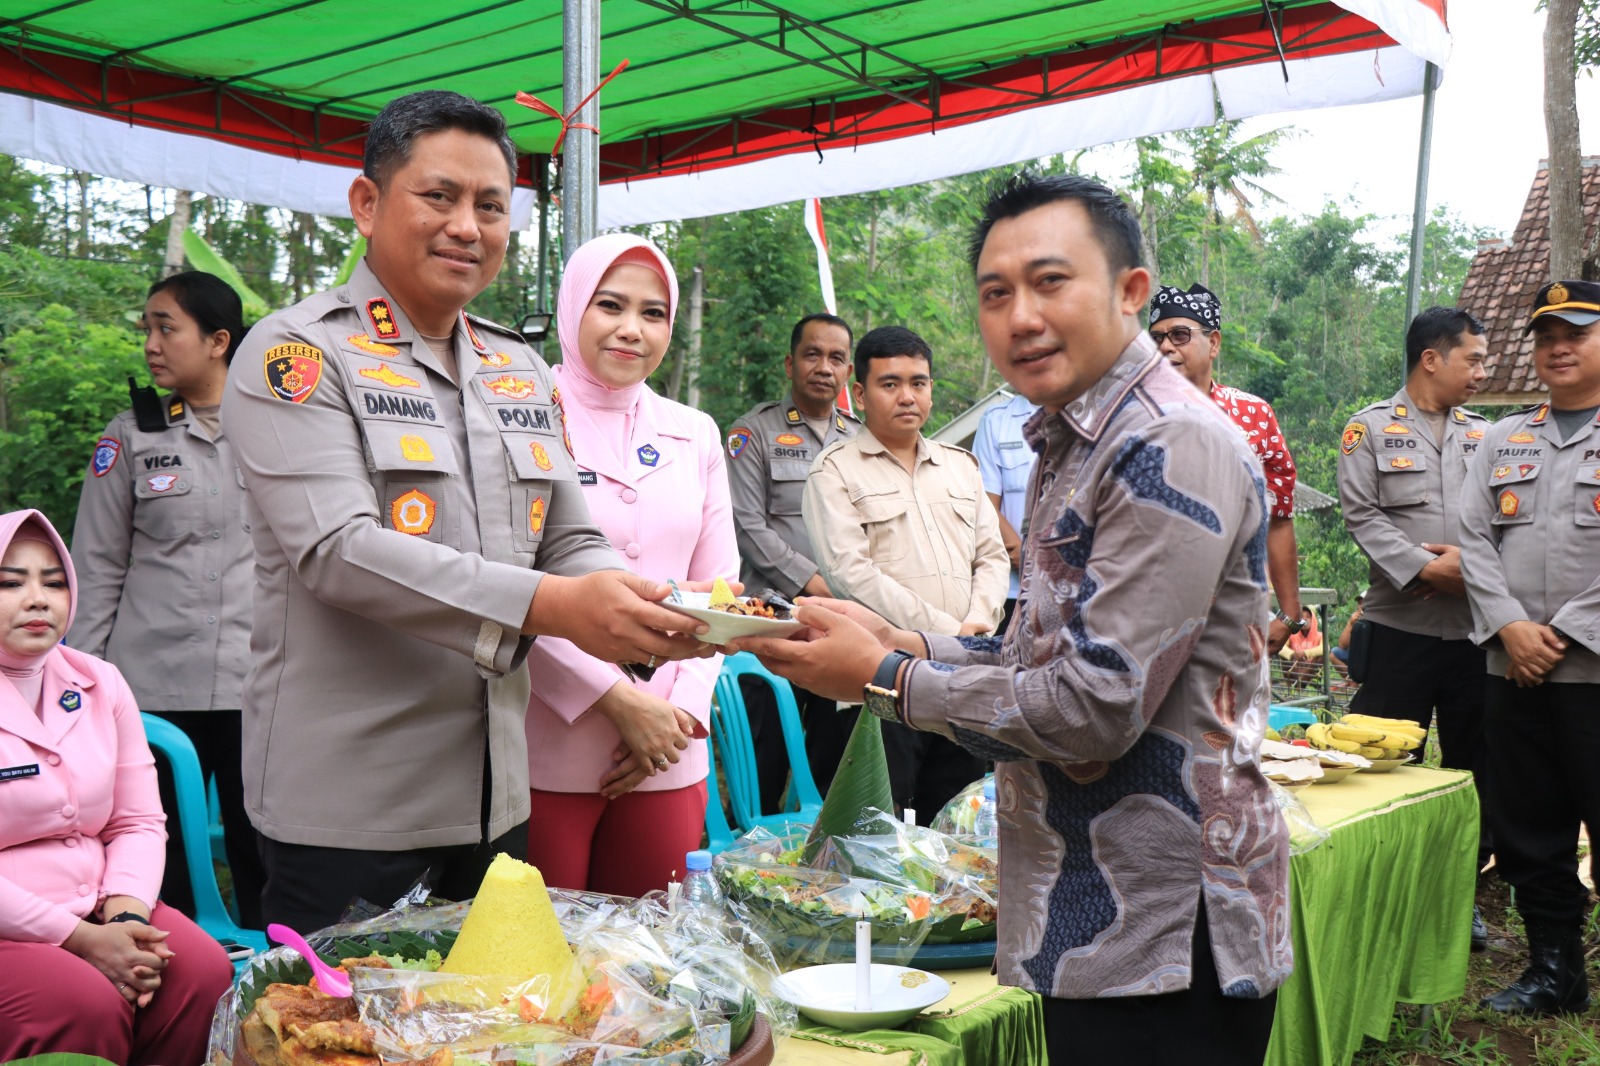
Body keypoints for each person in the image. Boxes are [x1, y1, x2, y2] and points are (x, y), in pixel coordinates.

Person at [734, 174, 1291, 1063]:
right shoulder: (1074, 440)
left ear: (1130, 291)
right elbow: (1041, 644)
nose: (1021, 316)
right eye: (996, 293)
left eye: (1050, 281)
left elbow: (1094, 706)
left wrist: (884, 677)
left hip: (1165, 928)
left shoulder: (1166, 443)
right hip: (1099, 910)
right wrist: (903, 642)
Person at [221, 90, 711, 933]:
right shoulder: (298, 353)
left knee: (499, 1011)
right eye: (439, 196)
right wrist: (557, 605)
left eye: (490, 206)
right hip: (353, 808)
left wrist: (626, 601)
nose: (466, 227)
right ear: (368, 202)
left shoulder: (517, 366)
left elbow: (569, 534)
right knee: (344, 1016)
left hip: (498, 797)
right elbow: (338, 550)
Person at [523, 233, 736, 898]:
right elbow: (507, 584)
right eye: (610, 305)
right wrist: (615, 700)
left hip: (669, 752)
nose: (631, 330)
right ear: (572, 307)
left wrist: (680, 716)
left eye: (653, 313)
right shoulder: (519, 416)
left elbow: (723, 593)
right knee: (544, 949)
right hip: (545, 744)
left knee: (651, 946)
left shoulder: (695, 432)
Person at [66, 270, 265, 929]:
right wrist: (84, 684)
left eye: (166, 328)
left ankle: (277, 971)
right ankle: (172, 972)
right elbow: (95, 567)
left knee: (263, 849)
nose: (150, 344)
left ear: (218, 340)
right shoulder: (130, 437)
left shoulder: (277, 429)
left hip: (255, 684)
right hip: (150, 688)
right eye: (146, 329)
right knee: (155, 855)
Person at [0, 508, 233, 1064]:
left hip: (103, 903)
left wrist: (127, 921)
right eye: (10, 583)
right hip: (14, 925)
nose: (38, 600)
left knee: (202, 972)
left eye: (54, 582)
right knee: (82, 1003)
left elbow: (138, 821)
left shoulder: (99, 681)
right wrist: (82, 940)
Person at [1460, 279, 1600, 1016]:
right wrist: (1510, 627)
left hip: (1594, 670)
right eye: (1546, 337)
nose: (1557, 348)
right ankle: (1555, 972)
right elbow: (1473, 539)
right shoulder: (1501, 439)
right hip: (1512, 668)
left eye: (1575, 334)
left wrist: (1566, 631)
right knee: (1527, 825)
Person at [1336, 305, 1493, 946]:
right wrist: (1426, 570)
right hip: (1400, 630)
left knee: (1473, 772)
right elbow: (1362, 516)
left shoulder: (1488, 436)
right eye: (1473, 360)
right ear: (1432, 358)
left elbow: (1508, 522)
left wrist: (1470, 571)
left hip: (1477, 636)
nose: (1482, 372)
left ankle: (1458, 897)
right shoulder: (1369, 429)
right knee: (1380, 763)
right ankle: (1372, 896)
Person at [803, 325, 1009, 813]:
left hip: (962, 683)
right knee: (881, 829)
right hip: (880, 679)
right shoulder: (835, 470)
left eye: (918, 382)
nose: (907, 396)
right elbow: (849, 573)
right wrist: (950, 636)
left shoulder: (961, 467)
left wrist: (977, 625)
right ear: (860, 394)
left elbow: (992, 556)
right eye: (890, 383)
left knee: (955, 827)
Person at [725, 314, 860, 807]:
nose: (824, 367)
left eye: (836, 358)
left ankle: (823, 851)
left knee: (833, 759)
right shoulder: (753, 432)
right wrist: (816, 584)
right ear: (790, 363)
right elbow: (747, 526)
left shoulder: (861, 439)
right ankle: (747, 847)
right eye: (812, 354)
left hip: (838, 628)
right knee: (763, 758)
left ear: (848, 371)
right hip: (771, 621)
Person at [1151, 283, 1304, 653]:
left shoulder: (1254, 416)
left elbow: (1278, 518)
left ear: (1214, 343)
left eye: (1180, 335)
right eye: (1156, 338)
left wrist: (1289, 614)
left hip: (1234, 618)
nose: (1166, 346)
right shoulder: (1131, 415)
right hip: (1149, 614)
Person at [973, 389, 1040, 632]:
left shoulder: (1093, 414)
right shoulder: (996, 420)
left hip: (1076, 585)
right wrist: (1023, 555)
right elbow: (983, 502)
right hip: (1011, 590)